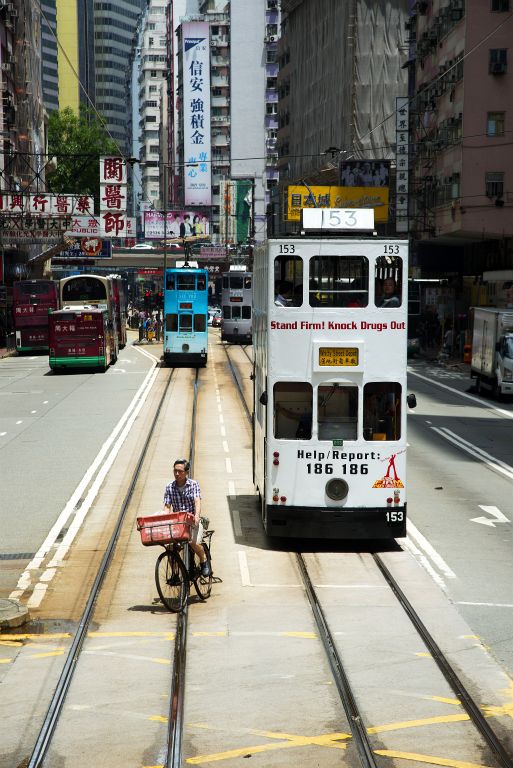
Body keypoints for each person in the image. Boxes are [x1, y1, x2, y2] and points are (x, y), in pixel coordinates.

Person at [163, 459, 211, 576]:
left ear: (186, 472)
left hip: (192, 521)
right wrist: (165, 519)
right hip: (178, 524)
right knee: (170, 548)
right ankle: (175, 573)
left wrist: (197, 516)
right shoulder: (169, 487)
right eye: (175, 471)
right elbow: (167, 506)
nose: (177, 474)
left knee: (192, 542)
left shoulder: (193, 484)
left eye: (180, 471)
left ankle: (203, 559)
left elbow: (197, 501)